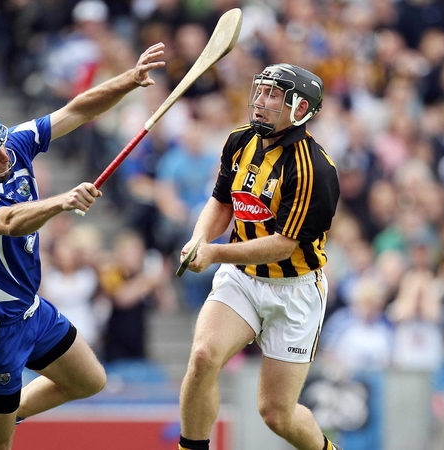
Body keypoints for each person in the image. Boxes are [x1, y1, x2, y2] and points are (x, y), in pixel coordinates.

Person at [0, 42, 165, 450]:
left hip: (31, 311)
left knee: (89, 380)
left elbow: (76, 110)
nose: (5, 154)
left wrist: (128, 80)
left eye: (3, 144)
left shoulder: (14, 145)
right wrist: (61, 202)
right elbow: (7, 221)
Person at [177, 64, 342, 450]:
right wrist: (199, 237)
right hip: (243, 278)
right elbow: (221, 203)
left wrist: (214, 252)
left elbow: (283, 245)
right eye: (262, 91)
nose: (261, 102)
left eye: (274, 96)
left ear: (300, 109)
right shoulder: (239, 141)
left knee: (277, 415)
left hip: (294, 291)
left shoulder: (313, 169)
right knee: (203, 357)